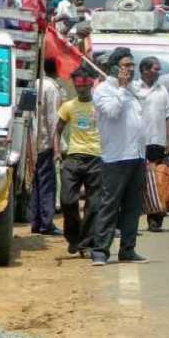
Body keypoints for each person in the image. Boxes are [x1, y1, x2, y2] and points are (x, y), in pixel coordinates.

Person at [91, 48, 149, 266]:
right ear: (114, 67)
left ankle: (128, 249)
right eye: (126, 66)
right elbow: (113, 112)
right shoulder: (103, 90)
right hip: (115, 158)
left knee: (133, 207)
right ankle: (100, 251)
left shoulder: (134, 91)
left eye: (132, 66)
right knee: (109, 205)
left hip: (136, 155)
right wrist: (123, 89)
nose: (130, 70)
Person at [55, 66, 103, 256]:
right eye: (77, 85)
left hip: (97, 158)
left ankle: (85, 242)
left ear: (91, 84)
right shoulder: (68, 106)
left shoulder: (100, 106)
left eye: (84, 84)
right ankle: (73, 237)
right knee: (67, 200)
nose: (81, 88)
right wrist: (57, 151)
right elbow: (57, 130)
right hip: (73, 158)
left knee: (94, 204)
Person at [135, 56, 169, 232]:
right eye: (155, 69)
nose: (158, 72)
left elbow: (168, 116)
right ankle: (132, 219)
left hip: (157, 142)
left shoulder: (162, 90)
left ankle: (155, 220)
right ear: (144, 70)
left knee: (158, 182)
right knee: (137, 182)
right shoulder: (134, 88)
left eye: (158, 69)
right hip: (137, 142)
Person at [30, 58, 62, 236]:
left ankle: (36, 221)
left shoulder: (34, 84)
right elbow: (53, 120)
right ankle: (46, 223)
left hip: (32, 142)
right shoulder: (53, 88)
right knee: (47, 184)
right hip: (45, 142)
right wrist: (57, 147)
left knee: (35, 184)